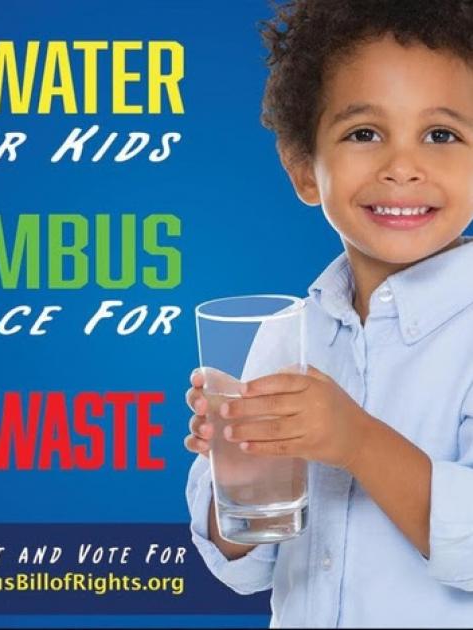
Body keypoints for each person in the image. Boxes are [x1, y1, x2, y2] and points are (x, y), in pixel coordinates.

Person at [184, 1, 473, 627]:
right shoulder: (288, 335)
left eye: (442, 135)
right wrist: (241, 466)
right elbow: (243, 566)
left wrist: (357, 441)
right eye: (363, 133)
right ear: (302, 171)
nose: (402, 166)